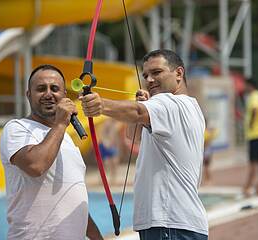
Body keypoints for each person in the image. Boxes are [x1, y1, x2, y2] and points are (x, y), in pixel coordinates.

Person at [80, 49, 208, 240]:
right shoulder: (187, 106)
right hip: (174, 224)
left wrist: (101, 105)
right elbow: (134, 135)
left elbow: (138, 113)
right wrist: (142, 105)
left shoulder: (171, 103)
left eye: (157, 73)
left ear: (179, 73)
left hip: (170, 224)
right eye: (146, 75)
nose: (149, 79)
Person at [0, 64, 103, 240]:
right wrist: (61, 123)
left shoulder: (67, 140)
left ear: (64, 96)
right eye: (41, 89)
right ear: (28, 95)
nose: (48, 94)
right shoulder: (16, 128)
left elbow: (74, 201)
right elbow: (36, 166)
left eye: (55, 89)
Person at [98, 118, 121, 185]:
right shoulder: (108, 123)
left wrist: (117, 146)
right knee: (107, 163)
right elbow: (102, 134)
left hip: (113, 145)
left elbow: (115, 136)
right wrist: (105, 141)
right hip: (107, 145)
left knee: (114, 163)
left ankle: (113, 179)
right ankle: (102, 179)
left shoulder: (116, 123)